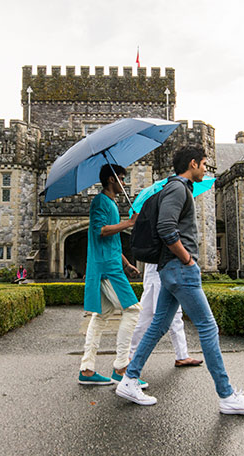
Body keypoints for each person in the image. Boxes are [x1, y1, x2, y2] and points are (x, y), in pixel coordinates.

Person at [116, 146, 244, 415]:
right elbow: (165, 227)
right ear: (193, 163)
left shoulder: (176, 188)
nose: (206, 169)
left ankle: (129, 379)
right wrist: (187, 259)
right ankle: (227, 395)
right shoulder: (178, 188)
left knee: (158, 326)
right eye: (204, 165)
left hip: (171, 270)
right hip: (180, 269)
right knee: (208, 327)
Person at [78, 164, 145, 386]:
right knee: (133, 311)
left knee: (101, 316)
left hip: (112, 263)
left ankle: (87, 370)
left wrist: (126, 263)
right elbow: (101, 230)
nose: (124, 183)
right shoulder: (100, 202)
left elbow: (111, 240)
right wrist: (129, 223)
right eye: (122, 179)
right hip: (107, 267)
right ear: (111, 180)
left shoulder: (111, 203)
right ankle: (121, 367)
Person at [130, 262, 203, 367]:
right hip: (164, 273)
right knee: (172, 317)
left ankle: (128, 355)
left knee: (145, 318)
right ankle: (182, 355)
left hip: (154, 275)